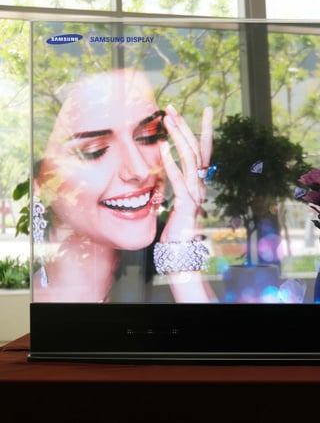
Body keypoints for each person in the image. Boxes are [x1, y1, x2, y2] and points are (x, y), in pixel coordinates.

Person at [32, 68, 216, 303]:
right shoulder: (28, 311)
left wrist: (182, 253)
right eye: (94, 150)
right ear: (39, 181)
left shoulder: (149, 287)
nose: (140, 170)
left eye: (149, 135)